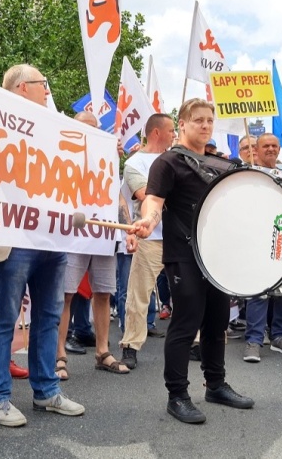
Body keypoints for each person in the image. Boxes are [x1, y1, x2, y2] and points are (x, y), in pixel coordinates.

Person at [132, 98, 254, 424]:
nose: (205, 125)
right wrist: (148, 221)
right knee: (186, 324)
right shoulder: (168, 162)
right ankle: (177, 395)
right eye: (197, 120)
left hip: (218, 256)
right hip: (184, 253)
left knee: (216, 324)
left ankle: (215, 384)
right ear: (182, 124)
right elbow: (154, 201)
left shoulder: (222, 163)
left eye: (209, 121)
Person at [0, 64, 84, 427]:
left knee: (49, 316)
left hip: (52, 236)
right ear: (23, 88)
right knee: (5, 316)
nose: (48, 90)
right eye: (44, 83)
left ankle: (46, 391)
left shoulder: (52, 125)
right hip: (17, 237)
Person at [56, 111, 129, 380]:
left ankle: (102, 352)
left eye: (95, 128)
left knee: (104, 293)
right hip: (73, 233)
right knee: (65, 293)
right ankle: (58, 355)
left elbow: (115, 192)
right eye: (84, 127)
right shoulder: (61, 150)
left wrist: (127, 227)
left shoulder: (108, 155)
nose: (91, 131)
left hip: (104, 232)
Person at [119, 113, 175, 369]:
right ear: (156, 132)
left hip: (180, 237)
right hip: (150, 238)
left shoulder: (179, 157)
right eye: (171, 129)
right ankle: (131, 345)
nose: (175, 134)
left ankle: (196, 342)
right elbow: (146, 194)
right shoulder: (135, 163)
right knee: (139, 296)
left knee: (188, 294)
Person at [243, 133, 282, 363]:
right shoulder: (247, 175)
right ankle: (254, 341)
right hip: (256, 238)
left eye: (274, 146)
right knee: (259, 289)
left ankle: (279, 336)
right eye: (265, 145)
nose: (270, 149)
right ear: (256, 149)